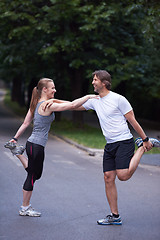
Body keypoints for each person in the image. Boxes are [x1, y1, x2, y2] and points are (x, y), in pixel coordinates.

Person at [72, 70, 159, 225]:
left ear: (104, 83)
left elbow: (133, 121)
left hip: (124, 141)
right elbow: (73, 106)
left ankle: (140, 147)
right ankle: (115, 216)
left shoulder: (119, 99)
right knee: (108, 178)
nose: (93, 82)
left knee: (123, 175)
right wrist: (52, 102)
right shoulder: (95, 100)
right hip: (110, 144)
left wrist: (145, 139)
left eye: (95, 80)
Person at [4, 77, 97, 217]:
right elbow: (71, 105)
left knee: (34, 173)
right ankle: (25, 207)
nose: (55, 90)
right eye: (52, 88)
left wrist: (15, 138)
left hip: (32, 143)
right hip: (37, 145)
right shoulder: (48, 105)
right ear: (44, 89)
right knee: (32, 175)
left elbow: (25, 123)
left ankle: (17, 152)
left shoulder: (36, 103)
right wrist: (89, 96)